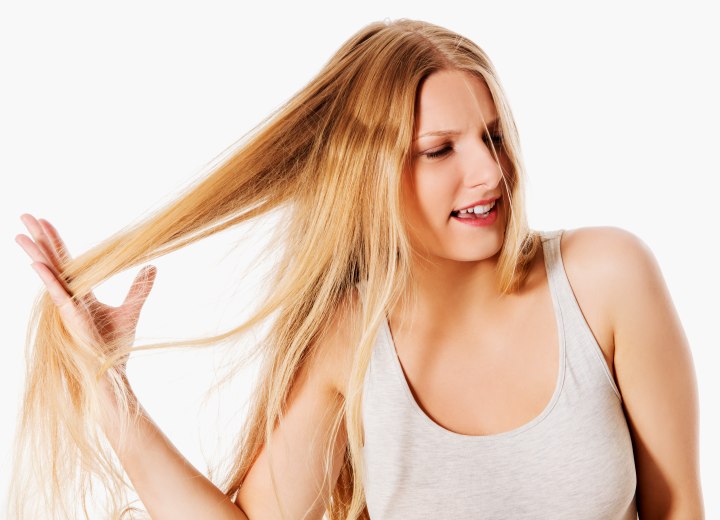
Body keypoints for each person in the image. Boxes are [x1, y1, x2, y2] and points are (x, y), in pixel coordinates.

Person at [10, 18, 703, 520]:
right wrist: (107, 383)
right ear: (369, 174)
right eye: (440, 149)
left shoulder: (605, 279)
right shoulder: (351, 339)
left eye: (493, 136)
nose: (489, 171)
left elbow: (682, 510)